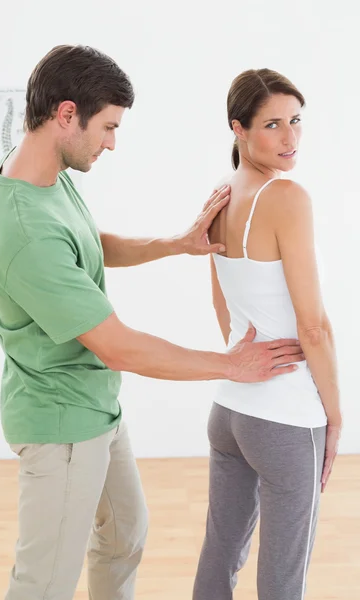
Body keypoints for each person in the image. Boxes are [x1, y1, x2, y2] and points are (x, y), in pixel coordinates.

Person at [0, 47, 304, 600]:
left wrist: (176, 243)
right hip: (62, 425)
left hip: (95, 406)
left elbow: (86, 246)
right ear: (65, 113)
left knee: (126, 534)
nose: (111, 142)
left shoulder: (39, 175)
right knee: (43, 582)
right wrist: (230, 365)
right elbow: (118, 346)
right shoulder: (22, 229)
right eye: (106, 127)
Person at [192, 68, 342, 600]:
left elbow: (221, 302)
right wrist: (336, 413)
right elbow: (314, 327)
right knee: (284, 576)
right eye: (273, 124)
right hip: (286, 418)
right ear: (239, 129)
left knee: (220, 551)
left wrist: (239, 358)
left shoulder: (221, 194)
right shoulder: (286, 197)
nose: (290, 138)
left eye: (296, 121)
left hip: (230, 411)